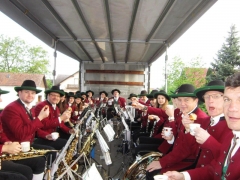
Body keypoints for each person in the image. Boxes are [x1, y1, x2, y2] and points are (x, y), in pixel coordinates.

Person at [165, 73, 240, 180]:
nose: (232, 108)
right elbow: (215, 167)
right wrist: (183, 176)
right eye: (227, 99)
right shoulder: (231, 134)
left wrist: (208, 140)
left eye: (216, 96)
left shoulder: (230, 127)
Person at [0, 81, 52, 180]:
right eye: (27, 92)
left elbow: (1, 133)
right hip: (17, 147)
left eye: (33, 93)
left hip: (21, 145)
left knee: (48, 154)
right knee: (27, 170)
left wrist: (6, 141)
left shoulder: (29, 108)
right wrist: (40, 118)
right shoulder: (11, 108)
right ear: (19, 92)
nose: (30, 95)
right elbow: (21, 134)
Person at [34, 86, 74, 150]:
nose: (56, 97)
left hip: (53, 135)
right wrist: (61, 118)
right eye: (53, 95)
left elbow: (60, 124)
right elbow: (43, 125)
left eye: (58, 96)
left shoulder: (56, 107)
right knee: (66, 143)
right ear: (48, 95)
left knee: (71, 138)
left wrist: (69, 130)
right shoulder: (42, 106)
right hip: (43, 137)